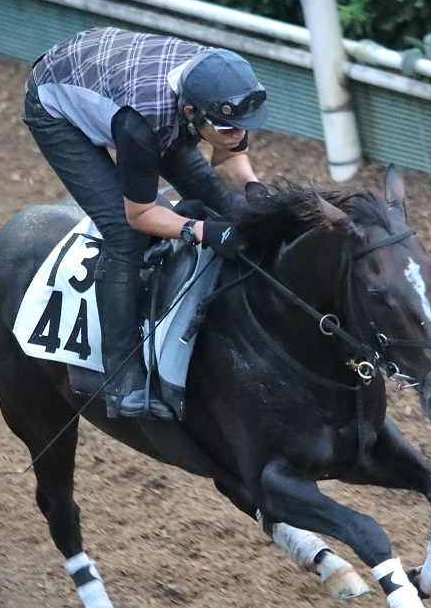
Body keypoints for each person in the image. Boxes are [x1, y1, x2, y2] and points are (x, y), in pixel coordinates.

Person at [22, 26, 270, 420]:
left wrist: (253, 188)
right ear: (191, 113)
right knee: (124, 236)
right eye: (226, 127)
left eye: (245, 123)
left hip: (125, 85)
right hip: (56, 103)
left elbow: (228, 153)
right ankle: (121, 378)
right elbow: (139, 215)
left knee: (224, 200)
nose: (237, 134)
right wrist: (200, 230)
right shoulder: (141, 128)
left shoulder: (219, 88)